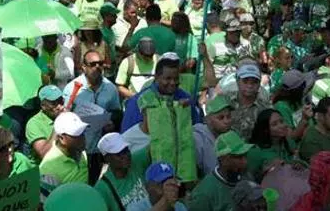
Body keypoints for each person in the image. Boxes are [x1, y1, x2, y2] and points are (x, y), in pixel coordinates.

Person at [63, 50, 121, 182]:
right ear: (83, 67)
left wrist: (112, 122)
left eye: (100, 64)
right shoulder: (71, 88)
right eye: (93, 64)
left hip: (100, 150)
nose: (97, 67)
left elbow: (117, 112)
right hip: (78, 149)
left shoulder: (110, 89)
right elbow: (65, 117)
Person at [138, 55, 197, 183]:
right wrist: (178, 106)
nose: (172, 83)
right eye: (168, 78)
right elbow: (149, 121)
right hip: (157, 162)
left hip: (183, 163)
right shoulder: (146, 98)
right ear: (157, 77)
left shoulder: (184, 97)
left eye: (176, 79)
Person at [187, 131, 253, 211]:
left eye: (245, 156)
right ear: (223, 159)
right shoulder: (204, 193)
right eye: (239, 157)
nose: (244, 162)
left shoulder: (245, 176)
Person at [94, 132, 151, 210]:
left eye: (126, 150)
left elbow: (155, 145)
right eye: (119, 154)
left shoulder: (136, 160)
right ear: (107, 158)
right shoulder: (102, 188)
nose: (125, 156)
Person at [39, 112, 90, 190]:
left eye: (83, 132)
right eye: (77, 135)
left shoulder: (81, 152)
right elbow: (48, 200)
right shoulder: (48, 169)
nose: (83, 138)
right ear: (62, 138)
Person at [246, 108, 295, 180]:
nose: (282, 126)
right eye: (274, 124)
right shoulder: (255, 151)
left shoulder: (287, 141)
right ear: (266, 130)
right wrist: (267, 170)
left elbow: (295, 158)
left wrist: (297, 163)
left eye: (281, 121)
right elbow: (248, 180)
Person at [227, 63, 270, 139]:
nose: (250, 86)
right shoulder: (225, 100)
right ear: (237, 81)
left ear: (259, 84)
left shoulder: (265, 108)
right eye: (245, 81)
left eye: (254, 82)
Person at [193, 96, 233, 177]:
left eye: (228, 117)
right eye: (221, 118)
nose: (226, 121)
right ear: (207, 120)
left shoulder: (231, 135)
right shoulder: (197, 138)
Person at [26, 85, 65, 162]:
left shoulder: (67, 116)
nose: (60, 106)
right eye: (54, 103)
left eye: (61, 101)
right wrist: (59, 124)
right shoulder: (33, 124)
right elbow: (44, 154)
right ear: (43, 106)